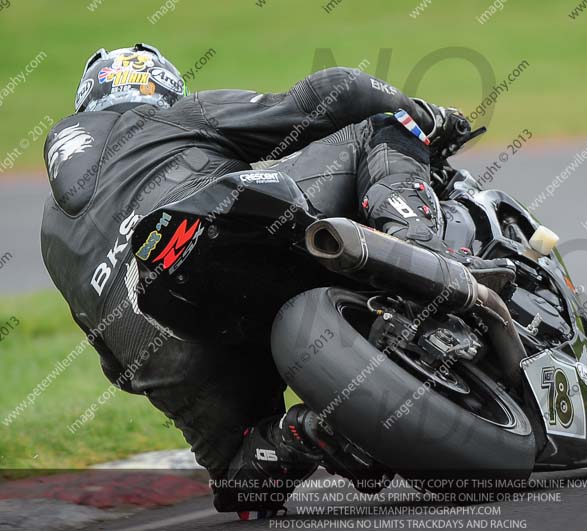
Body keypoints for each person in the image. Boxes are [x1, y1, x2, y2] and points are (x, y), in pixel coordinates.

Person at [40, 43, 472, 519]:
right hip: (224, 242)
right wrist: (432, 117)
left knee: (237, 482)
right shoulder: (174, 116)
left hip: (163, 344)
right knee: (381, 128)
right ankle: (426, 264)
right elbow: (337, 91)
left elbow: (110, 361)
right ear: (162, 90)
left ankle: (303, 434)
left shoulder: (52, 237)